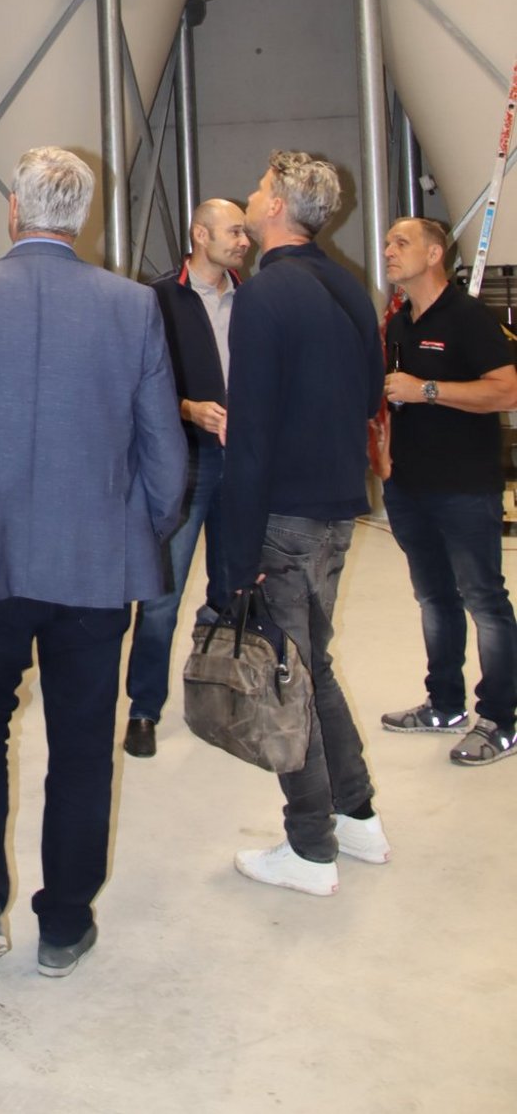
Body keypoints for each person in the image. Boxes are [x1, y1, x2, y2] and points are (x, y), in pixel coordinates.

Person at [0, 146, 186, 979]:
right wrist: (140, 532)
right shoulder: (132, 304)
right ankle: (64, 923)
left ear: (12, 208)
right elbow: (164, 454)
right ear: (83, 214)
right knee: (82, 741)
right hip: (95, 565)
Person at [221, 150, 388, 897]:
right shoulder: (348, 286)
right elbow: (369, 394)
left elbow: (251, 435)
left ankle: (311, 847)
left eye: (260, 187)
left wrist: (236, 553)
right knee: (311, 664)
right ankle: (357, 816)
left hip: (284, 515)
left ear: (278, 207)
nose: (251, 194)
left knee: (287, 680)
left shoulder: (263, 295)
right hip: (337, 506)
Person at [379, 216, 517, 764]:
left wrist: (428, 390)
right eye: (387, 242)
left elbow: (507, 391)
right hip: (409, 487)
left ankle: (502, 719)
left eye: (401, 242)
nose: (389, 250)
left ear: (435, 254)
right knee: (434, 597)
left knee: (484, 599)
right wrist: (386, 458)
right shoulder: (399, 323)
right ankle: (444, 704)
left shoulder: (468, 317)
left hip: (464, 488)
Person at [123, 199, 251, 757]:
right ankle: (143, 710)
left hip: (242, 465)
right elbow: (134, 383)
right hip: (184, 463)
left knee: (231, 590)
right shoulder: (156, 300)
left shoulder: (252, 299)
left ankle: (215, 698)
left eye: (245, 232)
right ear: (200, 234)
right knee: (161, 597)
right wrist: (187, 409)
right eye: (233, 232)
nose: (244, 241)